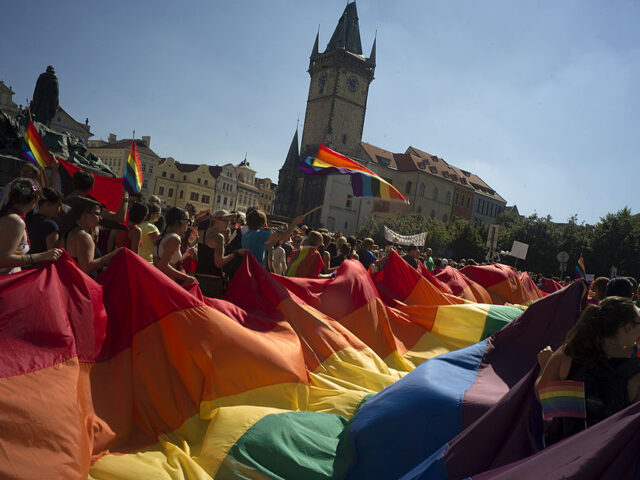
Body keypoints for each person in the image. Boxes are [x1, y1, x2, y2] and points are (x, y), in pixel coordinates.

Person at [535, 296, 640, 446]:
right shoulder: (635, 373)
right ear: (627, 328)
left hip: (561, 450)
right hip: (605, 456)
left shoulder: (568, 354)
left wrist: (544, 366)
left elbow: (544, 397)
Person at [0, 178, 62, 273]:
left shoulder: (11, 217)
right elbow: (3, 260)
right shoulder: (15, 221)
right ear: (36, 201)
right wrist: (43, 256)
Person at [63, 197, 122, 275]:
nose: (100, 218)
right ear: (84, 215)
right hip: (87, 283)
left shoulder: (70, 231)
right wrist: (113, 254)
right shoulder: (84, 237)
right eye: (97, 214)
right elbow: (87, 268)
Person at [194, 209, 247, 297]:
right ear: (215, 220)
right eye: (224, 220)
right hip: (213, 281)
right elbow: (219, 263)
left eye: (229, 220)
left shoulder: (200, 233)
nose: (228, 223)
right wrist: (236, 253)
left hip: (198, 277)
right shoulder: (219, 237)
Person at [153, 207, 196, 285]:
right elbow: (162, 265)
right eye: (187, 221)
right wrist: (187, 278)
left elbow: (162, 261)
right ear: (179, 221)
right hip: (167, 282)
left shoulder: (162, 236)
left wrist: (185, 255)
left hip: (159, 279)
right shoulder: (175, 238)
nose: (188, 224)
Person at [26, 187, 63, 254]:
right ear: (47, 204)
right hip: (42, 263)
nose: (60, 209)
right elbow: (53, 256)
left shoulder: (29, 219)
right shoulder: (50, 226)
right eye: (58, 205)